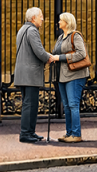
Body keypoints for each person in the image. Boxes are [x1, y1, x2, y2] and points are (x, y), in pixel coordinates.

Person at [13, 7, 60, 143]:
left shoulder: (22, 29)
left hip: (23, 73)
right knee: (30, 104)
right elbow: (39, 51)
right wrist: (49, 57)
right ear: (33, 18)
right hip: (30, 74)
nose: (42, 19)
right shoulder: (32, 30)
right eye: (41, 16)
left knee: (29, 103)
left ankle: (30, 132)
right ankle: (26, 133)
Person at [51, 11, 91, 143]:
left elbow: (81, 54)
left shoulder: (76, 36)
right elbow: (56, 53)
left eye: (60, 20)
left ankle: (76, 134)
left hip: (75, 75)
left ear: (67, 23)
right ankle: (69, 133)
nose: (58, 22)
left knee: (73, 104)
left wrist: (61, 57)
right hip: (62, 75)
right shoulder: (61, 37)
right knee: (67, 105)